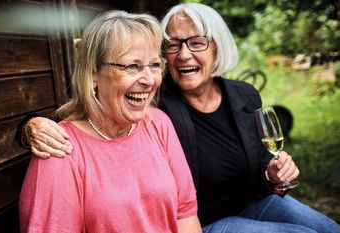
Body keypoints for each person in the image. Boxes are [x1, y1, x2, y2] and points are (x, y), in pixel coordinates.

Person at [18, 3, 340, 233]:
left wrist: (271, 175)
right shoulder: (159, 106)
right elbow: (87, 112)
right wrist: (28, 127)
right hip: (212, 219)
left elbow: (251, 166)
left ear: (216, 47)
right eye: (172, 45)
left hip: (250, 201)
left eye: (197, 42)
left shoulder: (239, 96)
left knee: (327, 227)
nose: (183, 54)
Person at [18, 10, 202, 233]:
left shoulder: (158, 123)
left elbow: (185, 215)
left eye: (154, 65)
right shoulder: (60, 149)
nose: (149, 80)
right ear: (94, 73)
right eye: (132, 66)